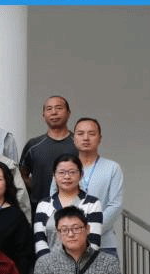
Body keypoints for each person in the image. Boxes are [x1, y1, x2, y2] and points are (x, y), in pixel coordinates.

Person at [63, 118, 124, 256]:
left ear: (99, 139)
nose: (86, 138)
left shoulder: (112, 168)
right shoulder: (64, 167)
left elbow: (115, 205)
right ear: (74, 138)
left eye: (91, 134)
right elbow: (55, 201)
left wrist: (91, 230)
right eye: (80, 133)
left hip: (104, 244)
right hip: (69, 244)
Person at [33, 154, 104, 258]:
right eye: (61, 172)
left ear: (81, 174)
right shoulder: (44, 205)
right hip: (49, 264)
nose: (67, 177)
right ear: (54, 175)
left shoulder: (92, 203)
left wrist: (75, 264)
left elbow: (94, 242)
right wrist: (49, 263)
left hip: (83, 264)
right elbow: (40, 240)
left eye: (72, 172)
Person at [20, 95, 78, 212]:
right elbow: (21, 175)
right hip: (38, 209)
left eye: (59, 108)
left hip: (73, 209)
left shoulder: (78, 144)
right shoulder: (33, 145)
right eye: (49, 109)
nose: (54, 112)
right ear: (43, 115)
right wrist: (35, 185)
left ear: (68, 113)